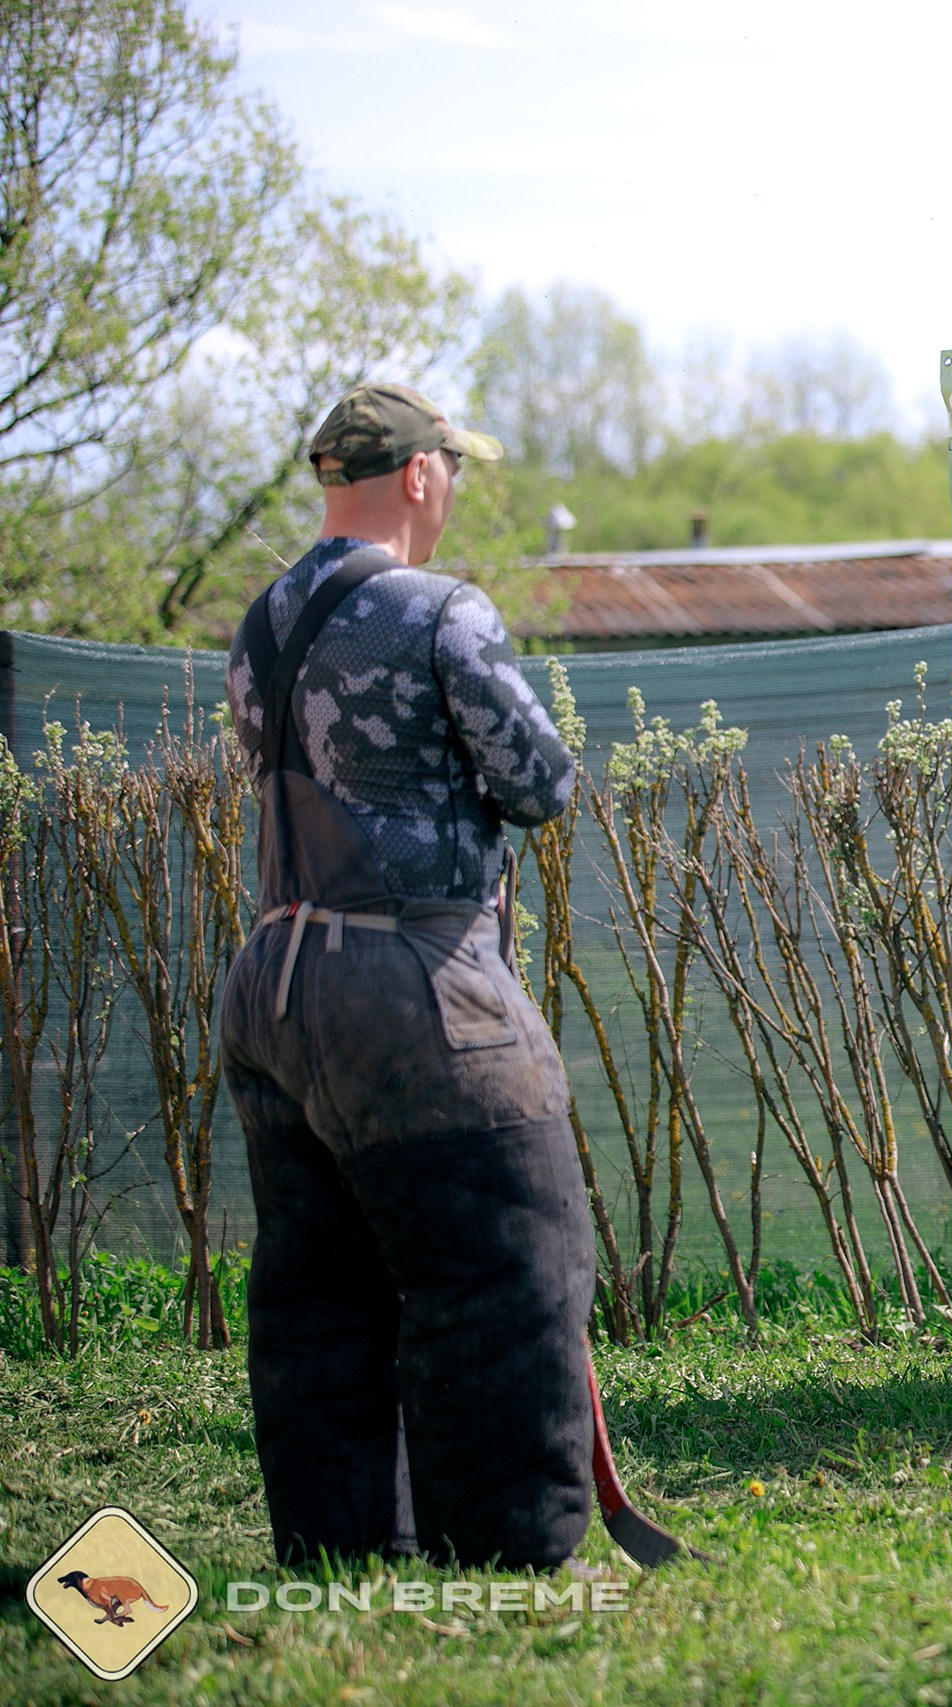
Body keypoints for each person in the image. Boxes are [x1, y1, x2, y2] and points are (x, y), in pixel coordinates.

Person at [220, 383, 592, 1567]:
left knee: (317, 1290)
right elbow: (540, 784)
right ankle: (503, 1558)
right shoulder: (442, 611)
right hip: (416, 985)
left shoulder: (258, 625)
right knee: (503, 1262)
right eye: (456, 474)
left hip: (275, 979)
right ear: (423, 475)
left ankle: (336, 1555)